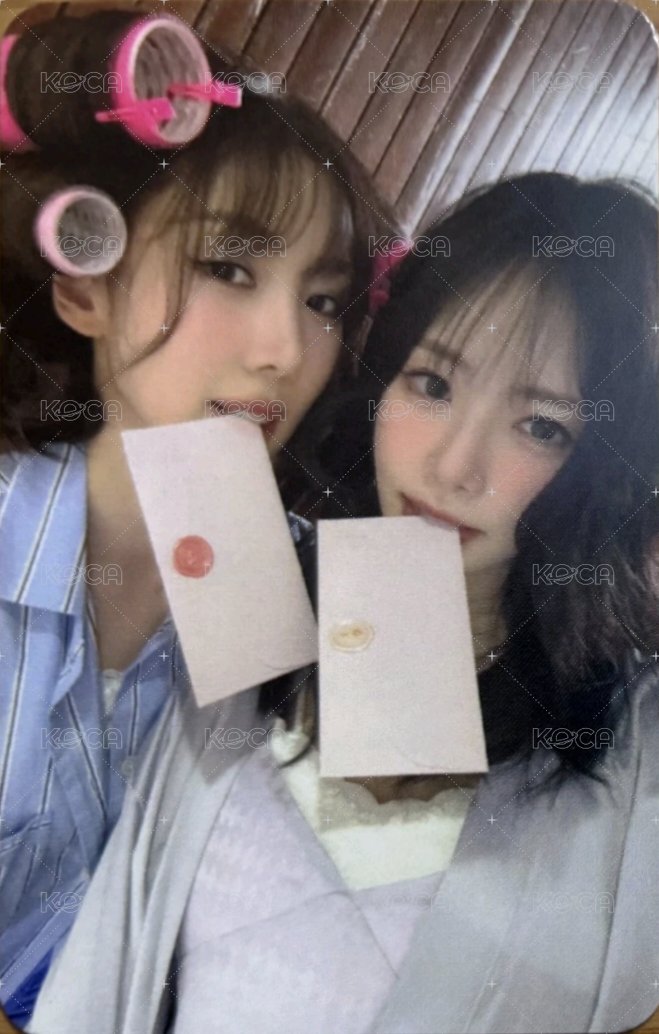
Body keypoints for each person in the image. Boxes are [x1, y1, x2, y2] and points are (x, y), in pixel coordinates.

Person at [27, 173, 659, 1034]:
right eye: (431, 384)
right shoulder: (254, 598)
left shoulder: (627, 742)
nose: (452, 466)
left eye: (541, 426)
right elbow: (113, 944)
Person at [0, 8, 391, 1024]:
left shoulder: (327, 603)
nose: (284, 351)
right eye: (229, 267)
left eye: (322, 300)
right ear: (85, 286)